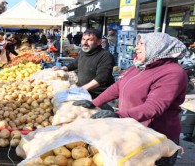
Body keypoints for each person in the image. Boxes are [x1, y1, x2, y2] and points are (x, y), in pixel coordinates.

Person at [74, 33, 187, 166]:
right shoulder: (140, 66)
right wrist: (94, 103)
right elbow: (117, 87)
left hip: (156, 137)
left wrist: (117, 115)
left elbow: (153, 107)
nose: (136, 48)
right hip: (133, 130)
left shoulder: (172, 73)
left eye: (141, 44)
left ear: (157, 46)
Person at [53, 29, 115, 99]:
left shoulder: (105, 56)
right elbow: (75, 63)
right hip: (84, 93)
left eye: (89, 40)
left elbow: (102, 77)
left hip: (99, 96)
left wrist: (81, 89)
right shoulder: (84, 52)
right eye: (83, 39)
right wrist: (62, 68)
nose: (85, 43)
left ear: (99, 42)